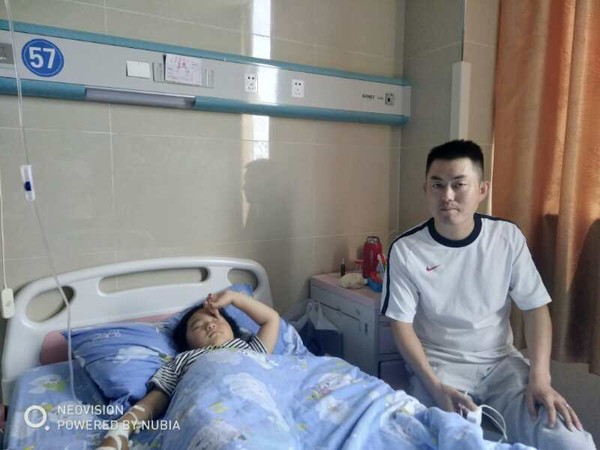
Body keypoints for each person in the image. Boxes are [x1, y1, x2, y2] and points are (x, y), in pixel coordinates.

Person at [380, 140, 596, 449]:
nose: (447, 196)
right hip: (438, 367)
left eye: (459, 185)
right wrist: (435, 385)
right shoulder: (406, 249)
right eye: (437, 185)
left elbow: (535, 308)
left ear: (482, 190)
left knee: (571, 442)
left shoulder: (506, 238)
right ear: (426, 189)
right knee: (429, 441)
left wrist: (541, 378)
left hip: (501, 365)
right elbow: (401, 325)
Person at [96, 290, 280, 450]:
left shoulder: (250, 350)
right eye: (197, 326)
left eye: (216, 319)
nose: (210, 325)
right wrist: (119, 431)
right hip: (206, 418)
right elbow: (152, 403)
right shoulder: (183, 361)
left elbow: (271, 319)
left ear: (233, 329)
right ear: (187, 343)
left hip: (259, 414)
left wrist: (232, 297)